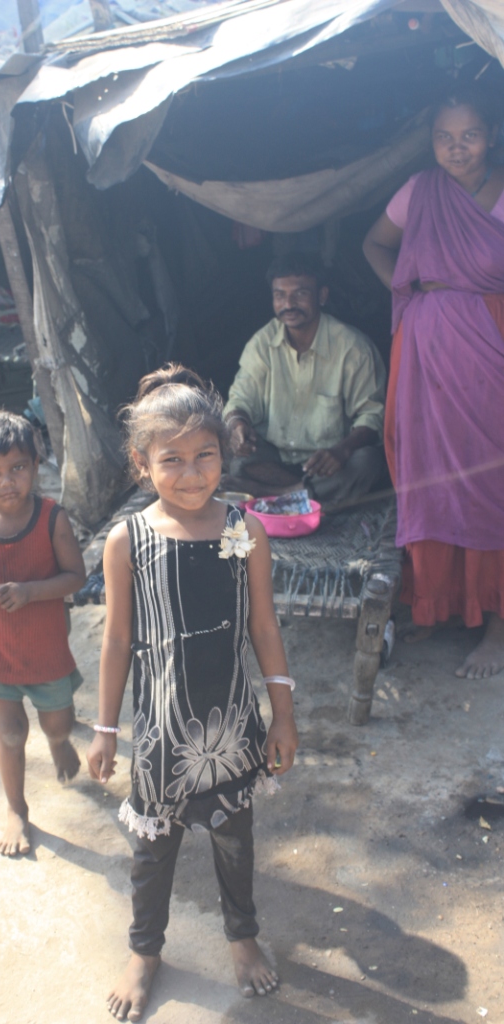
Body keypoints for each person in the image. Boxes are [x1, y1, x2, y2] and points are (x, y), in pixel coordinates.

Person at [87, 365, 298, 1022]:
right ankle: (144, 952)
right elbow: (115, 641)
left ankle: (242, 937)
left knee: (235, 841)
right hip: (161, 732)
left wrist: (282, 717)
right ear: (141, 464)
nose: (190, 473)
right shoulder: (127, 540)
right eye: (170, 459)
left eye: (204, 455)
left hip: (231, 726)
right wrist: (105, 729)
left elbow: (263, 626)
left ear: (223, 454)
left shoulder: (243, 530)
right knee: (153, 853)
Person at [363, 86, 504, 680]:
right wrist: (409, 291)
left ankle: (496, 626)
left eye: (469, 135)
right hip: (422, 354)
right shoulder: (420, 191)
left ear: (490, 137)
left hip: (489, 353)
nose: (457, 148)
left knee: (489, 479)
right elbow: (374, 243)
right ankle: (438, 604)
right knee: (426, 474)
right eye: (444, 137)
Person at [0, 411, 86, 855]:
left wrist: (29, 592)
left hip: (46, 651)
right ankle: (16, 809)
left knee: (57, 723)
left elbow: (76, 577)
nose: (7, 481)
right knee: (9, 733)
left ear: (36, 465)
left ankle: (59, 742)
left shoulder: (52, 519)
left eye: (17, 468)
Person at [223, 253, 386, 504]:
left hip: (327, 463)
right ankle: (305, 494)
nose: (289, 304)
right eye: (280, 295)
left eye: (300, 294)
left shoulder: (353, 348)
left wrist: (342, 450)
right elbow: (240, 399)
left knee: (367, 462)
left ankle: (277, 494)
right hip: (276, 459)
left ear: (322, 296)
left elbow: (372, 415)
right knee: (229, 451)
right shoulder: (262, 343)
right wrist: (238, 426)